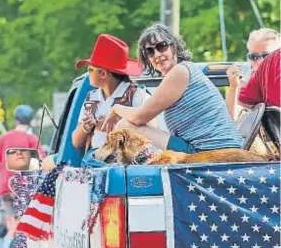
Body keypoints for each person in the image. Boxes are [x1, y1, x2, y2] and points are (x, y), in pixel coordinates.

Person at [105, 22, 243, 153]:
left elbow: (139, 117)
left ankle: (128, 176)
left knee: (126, 125)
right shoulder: (186, 70)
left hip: (207, 152)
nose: (157, 54)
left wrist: (115, 109)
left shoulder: (180, 72)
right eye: (150, 51)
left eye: (162, 46)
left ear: (174, 47)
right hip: (218, 148)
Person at [72, 33, 149, 167]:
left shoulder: (136, 95)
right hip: (96, 161)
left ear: (103, 74)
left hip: (128, 164)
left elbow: (149, 136)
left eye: (90, 69)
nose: (88, 73)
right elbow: (76, 142)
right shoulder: (91, 98)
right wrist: (86, 127)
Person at [0, 105, 46, 248]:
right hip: (23, 187)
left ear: (16, 119)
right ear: (30, 121)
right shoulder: (31, 139)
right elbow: (41, 163)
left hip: (5, 188)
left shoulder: (3, 138)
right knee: (22, 225)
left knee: (11, 225)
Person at [226, 28, 280, 120]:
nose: (259, 61)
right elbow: (231, 121)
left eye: (266, 56)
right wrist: (233, 88)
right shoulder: (247, 80)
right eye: (253, 57)